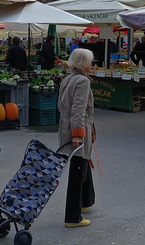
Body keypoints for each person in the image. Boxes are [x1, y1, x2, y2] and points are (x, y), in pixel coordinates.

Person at [57, 48, 96, 228]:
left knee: (83, 162)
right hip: (76, 127)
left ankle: (86, 200)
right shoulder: (82, 81)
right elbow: (79, 109)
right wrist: (78, 134)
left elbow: (61, 105)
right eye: (89, 61)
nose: (91, 64)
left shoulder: (67, 79)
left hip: (65, 126)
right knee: (78, 168)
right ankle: (73, 216)